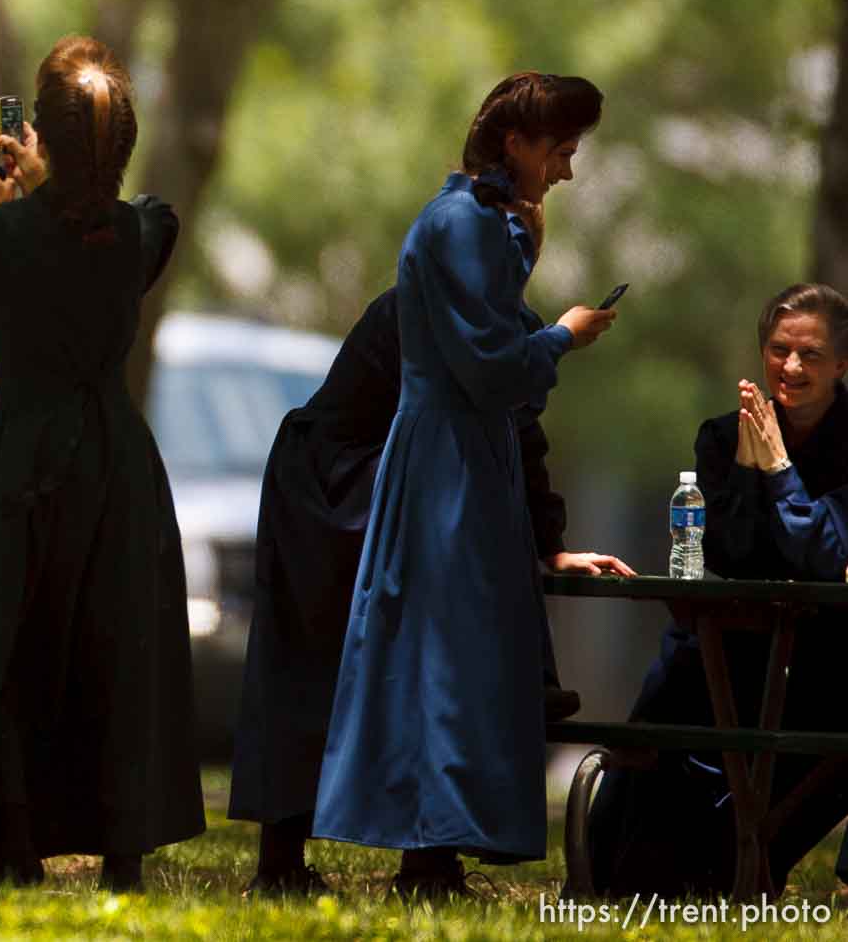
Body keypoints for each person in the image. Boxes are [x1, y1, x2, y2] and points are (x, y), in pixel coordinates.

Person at [0, 36, 204, 893]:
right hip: (116, 462)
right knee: (114, 652)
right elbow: (119, 222)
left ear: (43, 138)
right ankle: (120, 852)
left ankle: (9, 844)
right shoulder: (143, 230)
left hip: (25, 451)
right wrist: (51, 184)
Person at [311, 72, 618, 898]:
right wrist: (563, 335)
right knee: (444, 651)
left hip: (465, 458)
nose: (565, 171)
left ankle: (437, 850)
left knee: (464, 651)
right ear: (515, 144)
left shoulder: (482, 225)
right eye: (558, 152)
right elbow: (490, 368)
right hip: (447, 460)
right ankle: (429, 852)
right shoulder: (460, 226)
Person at [229, 284, 633, 896]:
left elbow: (517, 438)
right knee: (366, 677)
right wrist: (559, 338)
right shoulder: (449, 308)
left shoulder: (478, 307)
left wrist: (549, 546)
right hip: (342, 491)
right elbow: (505, 415)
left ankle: (417, 867)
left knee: (399, 678)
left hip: (371, 489)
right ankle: (325, 868)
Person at [584, 283, 848, 899]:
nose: (791, 367)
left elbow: (831, 554)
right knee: (673, 693)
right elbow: (725, 551)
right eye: (779, 350)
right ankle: (611, 873)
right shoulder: (723, 437)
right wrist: (755, 477)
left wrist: (781, 474)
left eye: (810, 355)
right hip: (730, 640)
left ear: (841, 364)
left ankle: (747, 865)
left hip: (827, 650)